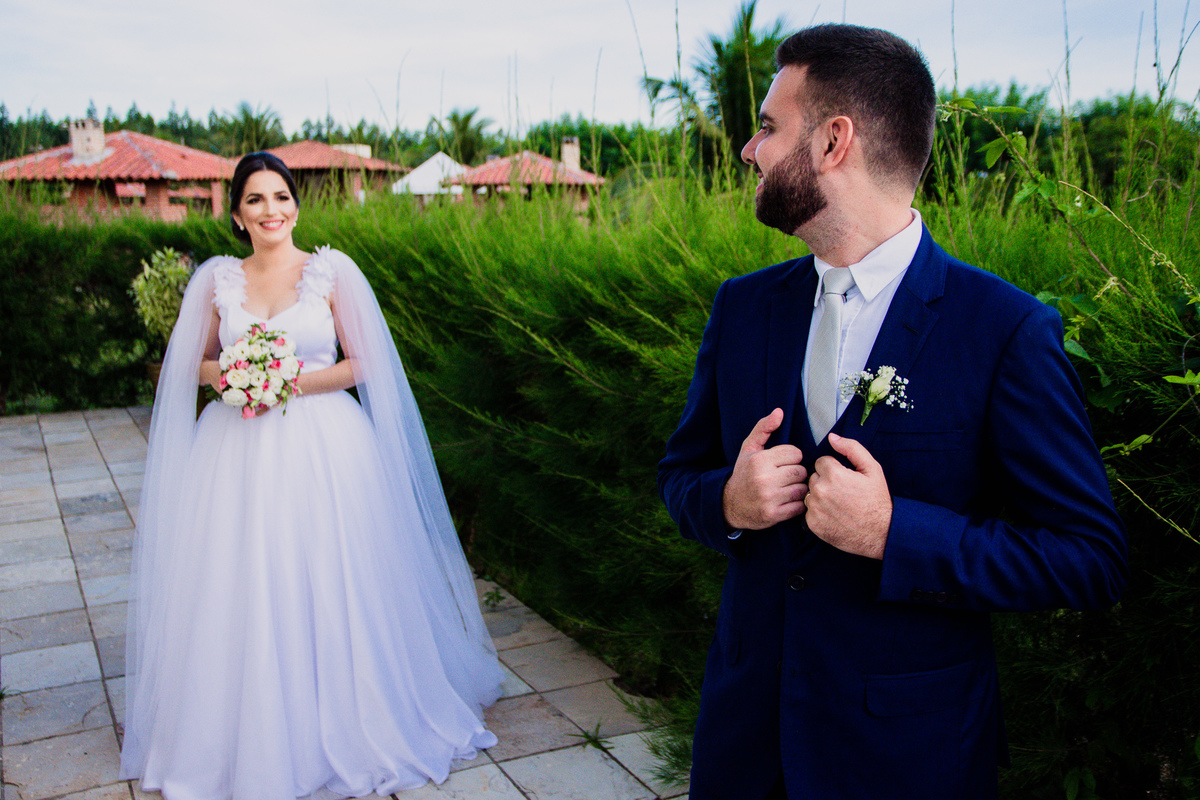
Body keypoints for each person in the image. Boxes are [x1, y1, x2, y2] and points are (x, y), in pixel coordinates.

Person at [657, 24, 1127, 800]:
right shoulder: (743, 310)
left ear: (834, 140)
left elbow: (1089, 559)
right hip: (744, 744)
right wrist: (728, 503)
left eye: (770, 127)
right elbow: (681, 476)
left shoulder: (1002, 331)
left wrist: (894, 535)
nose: (750, 149)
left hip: (907, 756)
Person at [120, 152, 503, 800]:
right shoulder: (218, 281)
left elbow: (363, 363)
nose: (272, 210)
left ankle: (352, 712)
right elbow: (193, 365)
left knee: (329, 574)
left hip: (325, 447)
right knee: (241, 580)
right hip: (234, 454)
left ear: (296, 203)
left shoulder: (330, 273)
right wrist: (237, 377)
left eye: (281, 196)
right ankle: (249, 729)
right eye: (256, 200)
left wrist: (285, 379)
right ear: (237, 214)